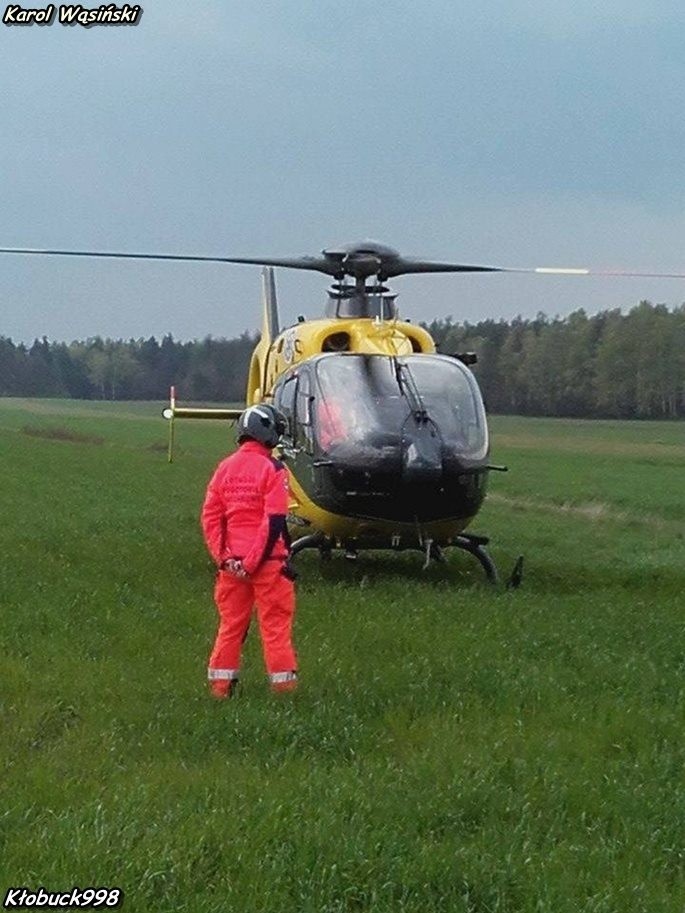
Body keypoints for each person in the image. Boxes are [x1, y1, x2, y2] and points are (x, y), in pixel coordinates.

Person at [201, 404, 298, 698]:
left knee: (230, 627)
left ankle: (221, 688)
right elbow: (274, 521)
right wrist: (254, 562)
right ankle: (284, 691)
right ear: (267, 432)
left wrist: (225, 558)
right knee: (275, 628)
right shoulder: (274, 469)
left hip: (231, 568)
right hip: (267, 565)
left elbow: (211, 518)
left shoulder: (224, 469)